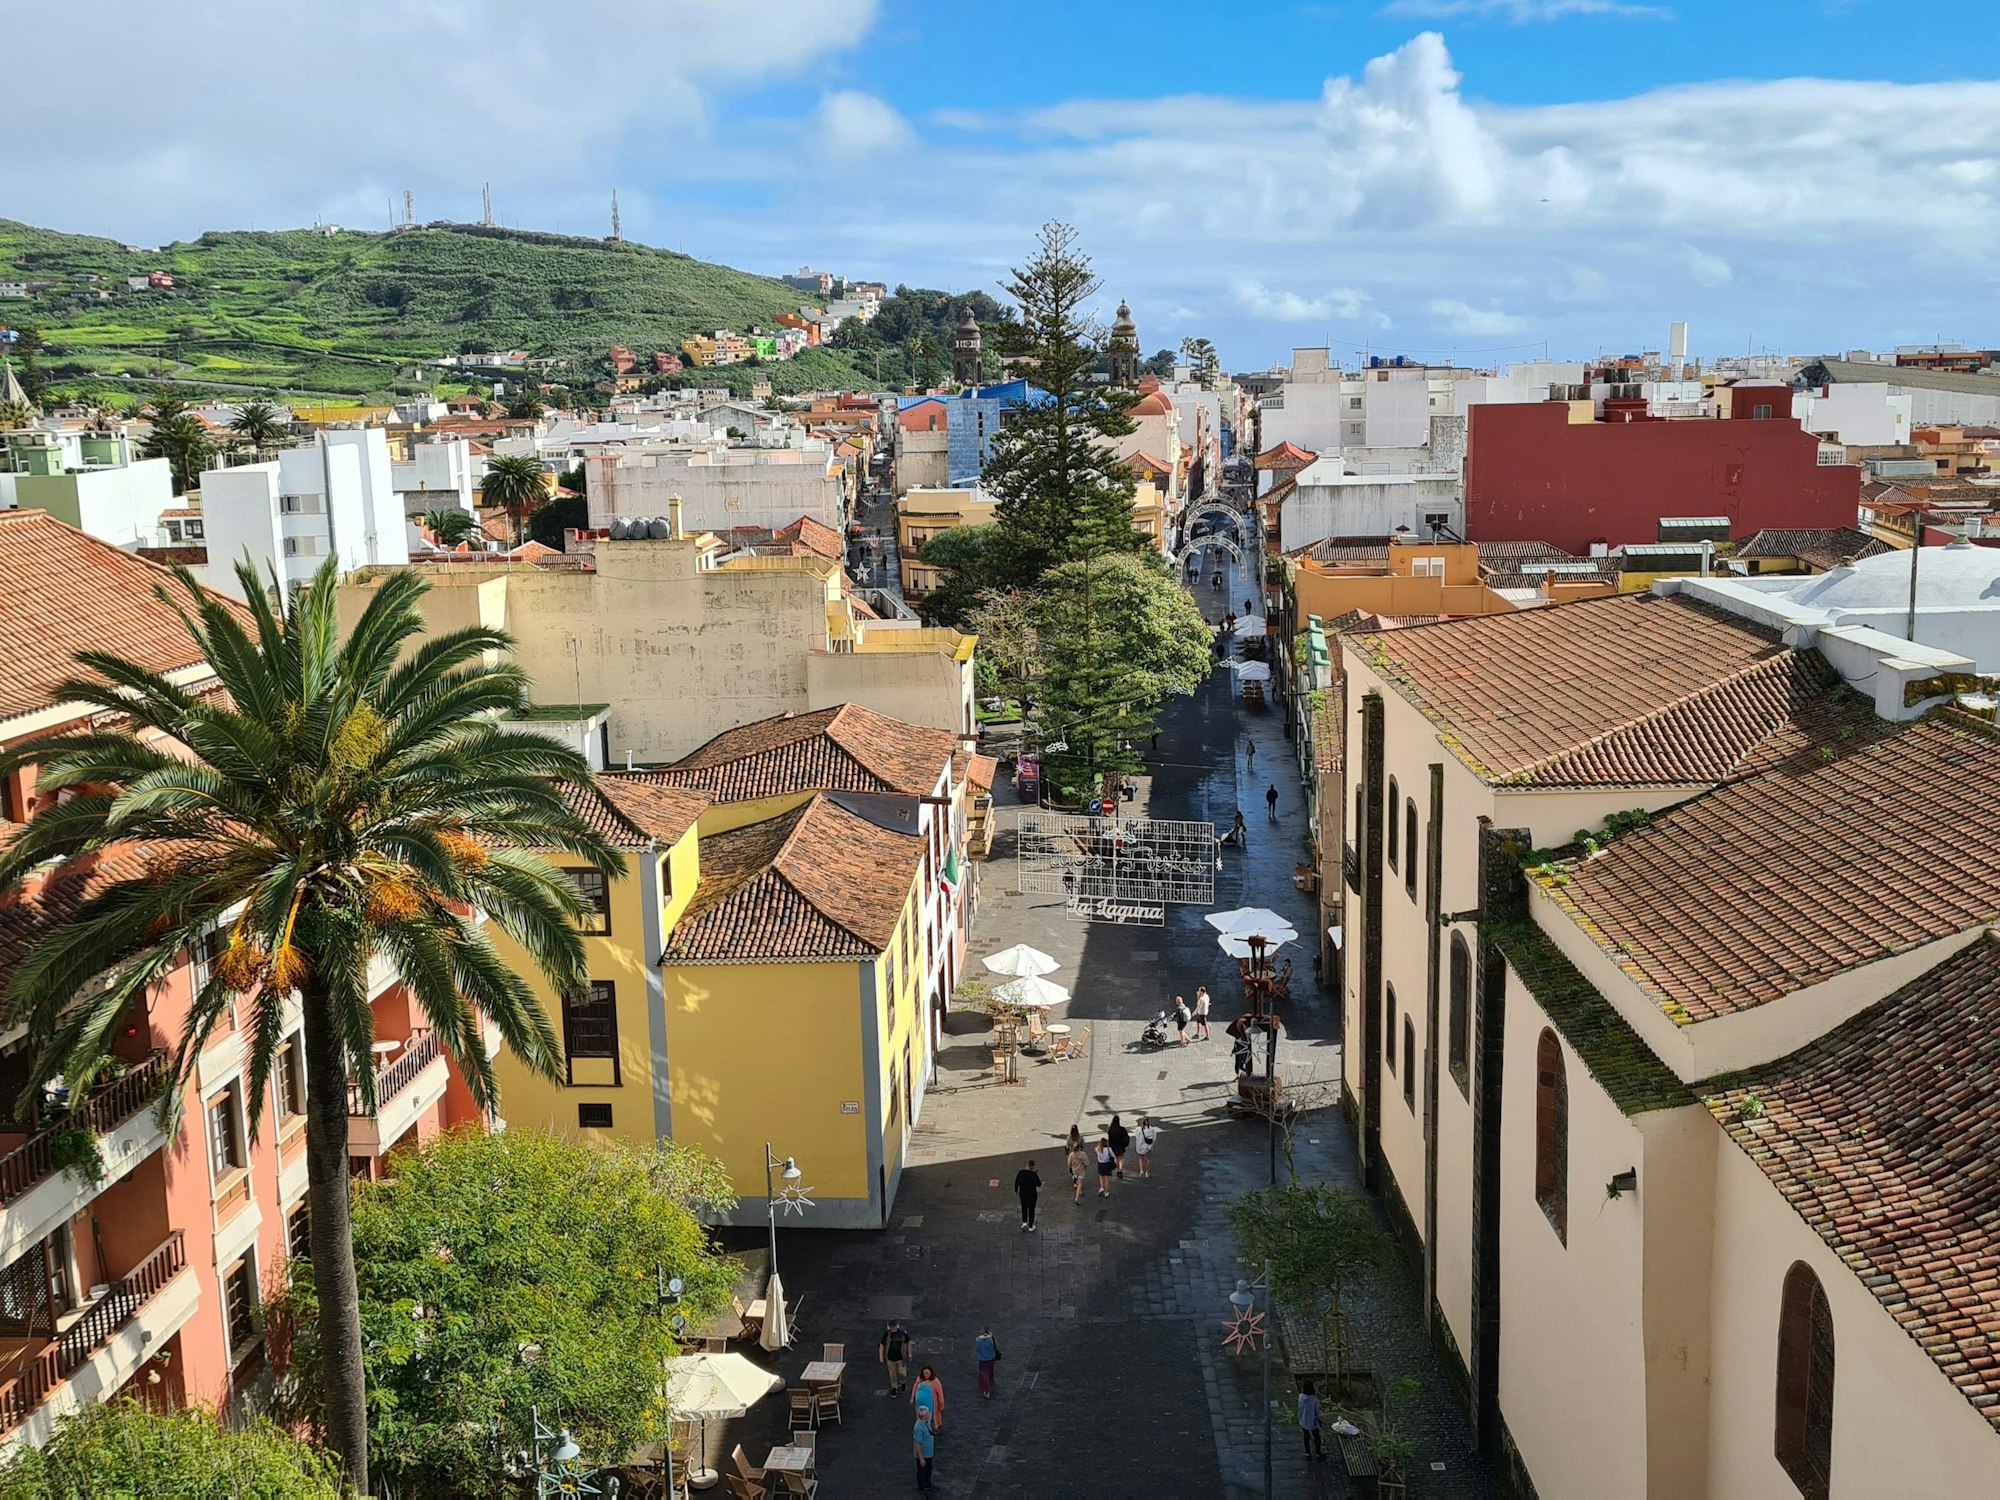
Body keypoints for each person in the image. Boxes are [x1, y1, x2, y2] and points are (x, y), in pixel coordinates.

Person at [881, 1319, 913, 1394]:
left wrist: (909, 1353)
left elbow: (908, 1341)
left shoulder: (902, 1333)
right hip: (890, 1358)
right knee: (892, 1374)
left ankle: (903, 1381)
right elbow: (882, 1344)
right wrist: (881, 1356)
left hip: (901, 1357)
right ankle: (894, 1387)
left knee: (902, 1373)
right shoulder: (887, 1334)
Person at [911, 1365, 945, 1431]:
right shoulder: (919, 1379)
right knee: (920, 1416)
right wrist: (912, 1397)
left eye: (927, 1373)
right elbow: (915, 1387)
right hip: (919, 1404)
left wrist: (941, 1404)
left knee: (930, 1417)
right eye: (924, 1373)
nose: (926, 1375)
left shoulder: (935, 1381)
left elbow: (940, 1393)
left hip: (931, 1404)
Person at [1297, 1379, 1325, 1460]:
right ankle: (1318, 1453)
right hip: (1313, 1422)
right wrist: (1321, 1420)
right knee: (1316, 1437)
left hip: (1303, 1421)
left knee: (1306, 1437)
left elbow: (1299, 1409)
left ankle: (1307, 1453)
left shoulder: (1301, 1397)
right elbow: (1318, 1411)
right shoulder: (1314, 1399)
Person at [1013, 1158, 1041, 1232]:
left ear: (1027, 1165)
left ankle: (1024, 1222)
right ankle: (1031, 1226)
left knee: (1024, 1208)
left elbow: (1016, 1182)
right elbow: (1039, 1184)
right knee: (1031, 1210)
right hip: (1032, 1195)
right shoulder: (1033, 1174)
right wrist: (1035, 1174)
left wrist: (1016, 1190)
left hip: (1023, 1194)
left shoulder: (1020, 1172)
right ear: (1032, 1166)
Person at [974, 1327, 1001, 1398]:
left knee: (984, 1373)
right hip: (991, 1358)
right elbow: (996, 1347)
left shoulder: (978, 1340)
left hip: (982, 1359)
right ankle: (991, 1380)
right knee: (990, 1369)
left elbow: (977, 1349)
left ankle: (986, 1390)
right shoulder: (992, 1339)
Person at [913, 1411, 936, 1493]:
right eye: (927, 1414)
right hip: (923, 1454)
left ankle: (928, 1484)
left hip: (928, 1453)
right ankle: (922, 1487)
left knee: (928, 1469)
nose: (929, 1415)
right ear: (923, 1416)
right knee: (922, 1471)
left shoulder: (926, 1423)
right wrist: (921, 1458)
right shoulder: (918, 1428)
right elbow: (917, 1444)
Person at [1067, 1137, 1088, 1203]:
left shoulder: (1071, 1155)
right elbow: (1087, 1162)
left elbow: (1069, 1163)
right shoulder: (1083, 1154)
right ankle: (1077, 1198)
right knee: (1080, 1183)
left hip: (1074, 1170)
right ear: (1079, 1148)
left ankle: (1080, 1191)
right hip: (1081, 1170)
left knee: (1076, 1179)